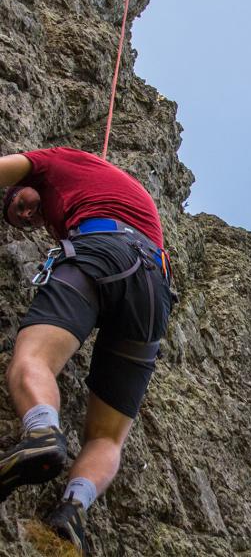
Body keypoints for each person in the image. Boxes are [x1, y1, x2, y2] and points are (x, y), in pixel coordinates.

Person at [0, 147, 173, 555]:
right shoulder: (106, 189)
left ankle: (41, 431)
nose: (25, 216)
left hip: (101, 251)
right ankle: (74, 507)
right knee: (108, 436)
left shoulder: (52, 161)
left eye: (19, 203)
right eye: (19, 222)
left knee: (33, 358)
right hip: (155, 287)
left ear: (29, 184)